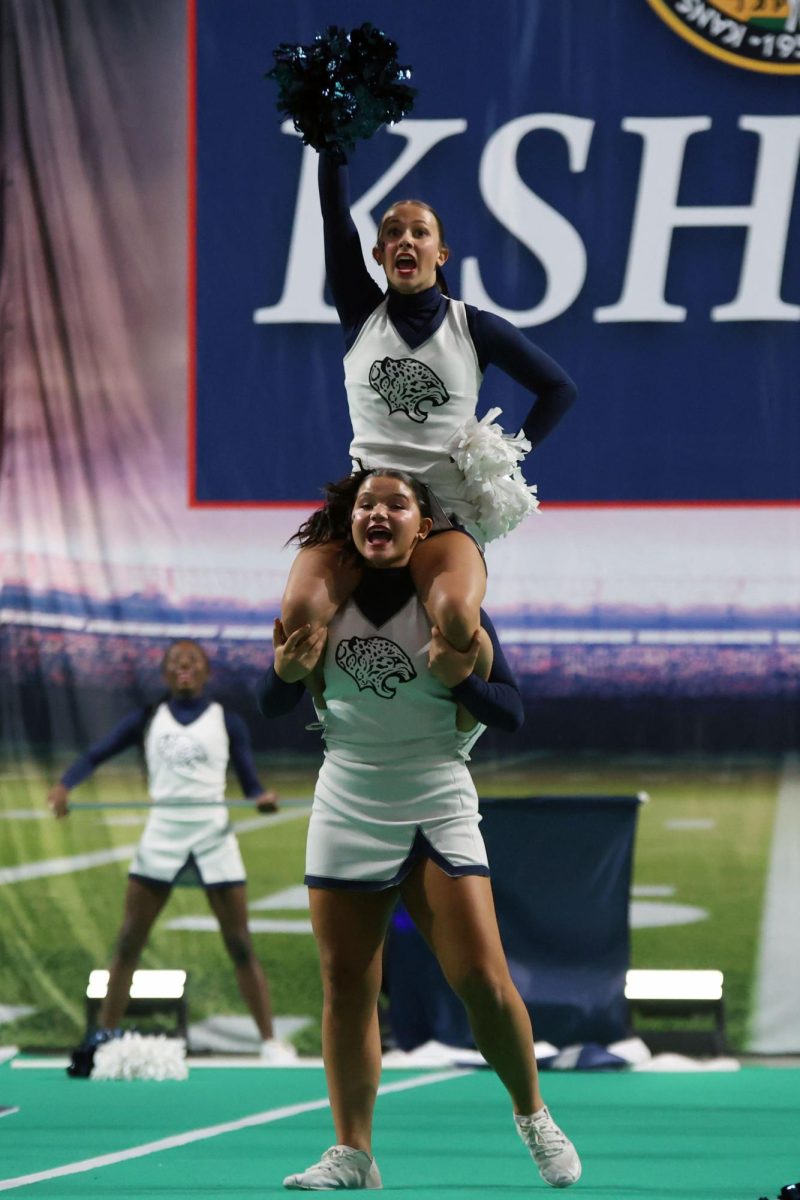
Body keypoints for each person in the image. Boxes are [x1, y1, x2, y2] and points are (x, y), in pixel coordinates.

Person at [259, 468, 581, 1191]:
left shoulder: (449, 603)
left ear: (423, 526)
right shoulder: (323, 600)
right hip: (349, 788)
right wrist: (281, 675)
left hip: (436, 790)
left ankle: (532, 1113)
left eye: (396, 504)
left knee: (480, 980)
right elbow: (273, 702)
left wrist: (462, 680)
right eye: (367, 504)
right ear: (352, 524)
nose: (379, 513)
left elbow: (512, 712)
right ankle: (353, 1153)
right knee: (347, 983)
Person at [281, 145, 577, 660]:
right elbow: (335, 217)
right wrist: (332, 144)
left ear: (440, 254)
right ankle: (327, 712)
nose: (405, 240)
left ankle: (474, 711)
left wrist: (505, 458)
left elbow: (559, 389)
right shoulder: (361, 316)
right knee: (300, 611)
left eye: (420, 233)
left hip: (445, 511)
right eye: (393, 232)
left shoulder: (475, 327)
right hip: (366, 509)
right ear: (378, 255)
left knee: (457, 618)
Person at [47, 638, 296, 1065]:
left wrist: (261, 798)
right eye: (176, 662)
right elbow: (96, 753)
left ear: (205, 672)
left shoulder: (227, 721)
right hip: (162, 834)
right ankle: (104, 1035)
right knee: (128, 940)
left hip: (213, 836)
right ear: (165, 674)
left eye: (192, 661)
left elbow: (251, 784)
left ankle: (270, 1041)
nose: (184, 667)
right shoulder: (147, 718)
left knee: (239, 943)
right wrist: (65, 786)